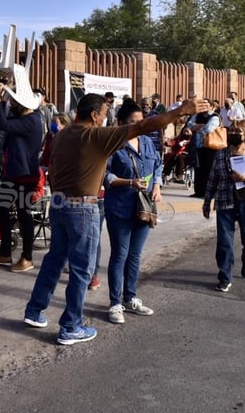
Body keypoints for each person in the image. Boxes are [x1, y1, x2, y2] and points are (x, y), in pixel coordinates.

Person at [22, 93, 209, 345]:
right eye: (103, 114)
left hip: (58, 205)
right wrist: (180, 112)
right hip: (82, 208)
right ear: (94, 115)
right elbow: (143, 126)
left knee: (55, 259)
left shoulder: (64, 133)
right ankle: (70, 326)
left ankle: (35, 310)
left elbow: (52, 168)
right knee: (82, 269)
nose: (105, 118)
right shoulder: (97, 135)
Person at [102, 100, 163, 325]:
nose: (139, 126)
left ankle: (130, 297)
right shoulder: (112, 145)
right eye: (133, 123)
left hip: (143, 207)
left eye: (141, 122)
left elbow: (158, 165)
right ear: (120, 123)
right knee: (120, 254)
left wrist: (157, 185)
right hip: (119, 207)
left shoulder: (147, 142)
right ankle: (115, 303)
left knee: (135, 255)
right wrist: (128, 182)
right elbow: (104, 176)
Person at [0, 81, 44, 273]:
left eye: (15, 101)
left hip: (25, 175)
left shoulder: (32, 120)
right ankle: (5, 252)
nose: (12, 103)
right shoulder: (20, 117)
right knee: (1, 209)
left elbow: (1, 123)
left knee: (24, 214)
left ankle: (27, 257)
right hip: (13, 174)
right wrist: (7, 91)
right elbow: (6, 119)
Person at [203, 120, 245, 292]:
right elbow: (212, 179)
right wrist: (207, 202)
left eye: (237, 131)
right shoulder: (221, 154)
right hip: (225, 201)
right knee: (224, 242)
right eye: (230, 130)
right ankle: (225, 276)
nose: (233, 134)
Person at [186, 100, 221, 198]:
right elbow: (189, 124)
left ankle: (209, 193)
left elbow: (209, 129)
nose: (204, 107)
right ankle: (199, 192)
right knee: (198, 169)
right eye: (202, 104)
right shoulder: (197, 115)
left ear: (211, 106)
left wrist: (197, 127)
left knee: (209, 170)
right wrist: (200, 126)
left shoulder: (214, 116)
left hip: (211, 147)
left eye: (206, 105)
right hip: (198, 146)